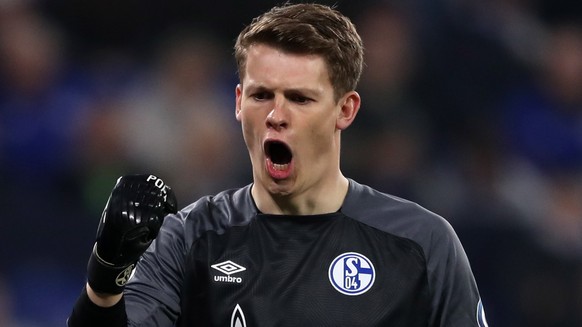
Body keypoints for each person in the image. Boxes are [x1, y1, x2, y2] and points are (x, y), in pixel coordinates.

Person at [68, 3, 487, 326]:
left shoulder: (421, 243)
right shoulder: (189, 239)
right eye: (261, 95)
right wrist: (105, 281)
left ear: (345, 109)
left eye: (300, 98)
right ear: (237, 102)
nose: (276, 115)